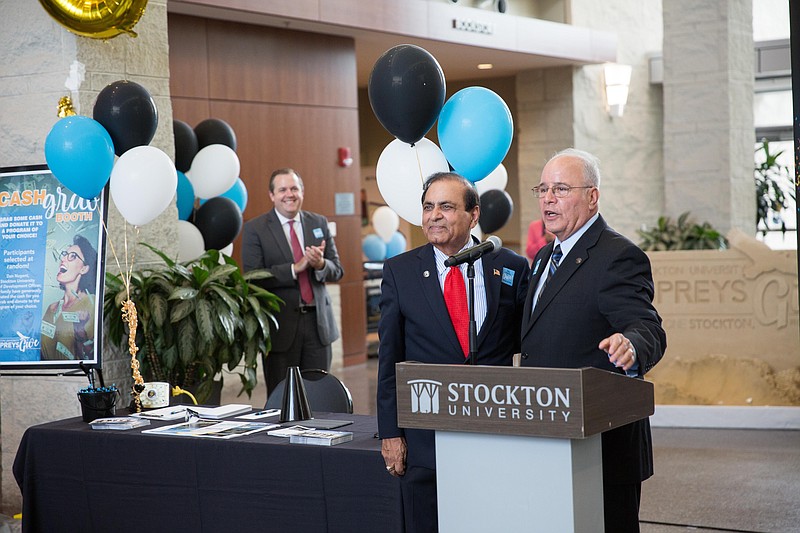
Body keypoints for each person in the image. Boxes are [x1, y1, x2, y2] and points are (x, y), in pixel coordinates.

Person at [520, 148, 667, 532]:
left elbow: (647, 326)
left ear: (592, 196)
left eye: (561, 189)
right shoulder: (542, 259)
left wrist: (631, 346)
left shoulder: (617, 256)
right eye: (543, 189)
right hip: (550, 435)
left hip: (602, 448)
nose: (548, 199)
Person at [377, 172, 530, 532]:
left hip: (494, 434)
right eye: (428, 207)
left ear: (474, 214)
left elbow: (529, 345)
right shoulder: (400, 272)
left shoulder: (510, 267)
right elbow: (389, 357)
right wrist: (390, 433)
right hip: (426, 439)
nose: (434, 216)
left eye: (446, 206)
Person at [241, 168, 344, 396]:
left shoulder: (318, 222)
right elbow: (252, 278)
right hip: (281, 328)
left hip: (318, 327)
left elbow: (337, 270)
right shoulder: (255, 229)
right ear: (272, 195)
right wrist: (294, 269)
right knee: (283, 398)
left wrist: (320, 265)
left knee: (319, 397)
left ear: (302, 192)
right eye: (283, 189)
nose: (290, 194)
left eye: (294, 188)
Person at [40, 235, 97, 360]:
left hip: (75, 377)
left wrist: (80, 333)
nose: (64, 259)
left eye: (72, 256)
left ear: (84, 268)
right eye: (65, 254)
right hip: (43, 378)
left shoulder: (91, 302)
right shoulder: (51, 309)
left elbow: (92, 356)